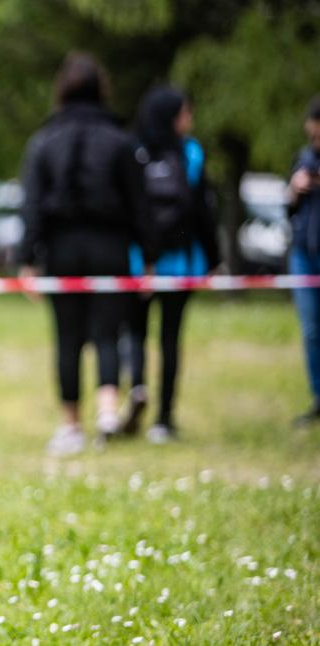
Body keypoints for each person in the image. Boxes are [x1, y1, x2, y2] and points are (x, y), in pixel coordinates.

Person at [18, 52, 152, 456]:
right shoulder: (121, 140)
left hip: (61, 249)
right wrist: (147, 256)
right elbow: (138, 204)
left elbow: (33, 205)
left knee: (68, 336)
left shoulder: (43, 142)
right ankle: (108, 411)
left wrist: (28, 259)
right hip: (110, 246)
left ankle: (71, 424)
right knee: (108, 331)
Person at [119, 86, 220, 443]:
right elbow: (202, 210)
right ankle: (163, 418)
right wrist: (214, 258)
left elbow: (126, 209)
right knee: (170, 338)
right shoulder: (190, 153)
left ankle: (138, 389)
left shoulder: (132, 151)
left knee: (135, 334)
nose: (189, 119)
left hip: (137, 263)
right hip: (180, 262)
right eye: (185, 113)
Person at [286, 94, 320, 427]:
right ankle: (318, 397)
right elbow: (289, 209)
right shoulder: (303, 159)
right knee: (311, 330)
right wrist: (294, 190)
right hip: (304, 254)